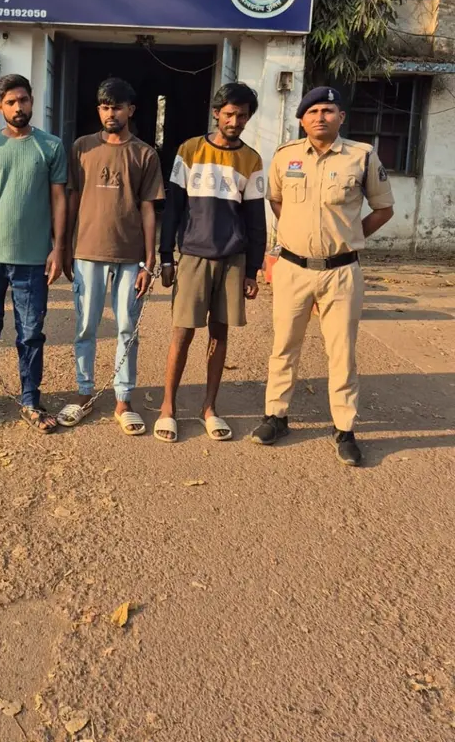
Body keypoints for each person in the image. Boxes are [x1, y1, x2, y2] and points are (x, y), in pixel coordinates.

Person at [250, 86, 394, 466]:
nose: (320, 117)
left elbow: (384, 208)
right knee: (284, 346)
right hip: (293, 269)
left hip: (341, 272)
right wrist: (296, 235)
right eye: (312, 112)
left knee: (342, 352)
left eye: (328, 111)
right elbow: (276, 200)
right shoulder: (285, 156)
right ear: (302, 120)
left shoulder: (362, 156)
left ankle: (344, 428)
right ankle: (276, 416)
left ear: (341, 117)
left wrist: (351, 235)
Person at [156, 82, 266, 443]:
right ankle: (168, 408)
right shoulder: (189, 150)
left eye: (242, 116)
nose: (235, 121)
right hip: (193, 256)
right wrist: (166, 256)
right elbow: (173, 207)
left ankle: (209, 408)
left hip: (232, 259)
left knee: (220, 334)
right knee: (182, 333)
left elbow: (255, 219)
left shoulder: (251, 160)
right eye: (229, 114)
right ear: (217, 113)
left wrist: (253, 270)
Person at [0, 74, 67, 435]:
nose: (18, 107)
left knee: (31, 334)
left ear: (32, 101)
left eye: (24, 100)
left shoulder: (50, 146)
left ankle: (31, 400)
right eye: (11, 102)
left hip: (34, 259)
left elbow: (59, 200)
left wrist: (58, 248)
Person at [58, 77, 164, 435]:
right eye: (104, 107)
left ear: (130, 110)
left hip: (130, 254)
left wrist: (149, 260)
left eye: (117, 107)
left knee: (126, 327)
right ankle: (84, 393)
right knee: (85, 326)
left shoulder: (145, 154)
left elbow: (148, 208)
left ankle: (123, 399)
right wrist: (65, 247)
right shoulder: (82, 148)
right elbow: (72, 198)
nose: (110, 113)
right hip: (87, 251)